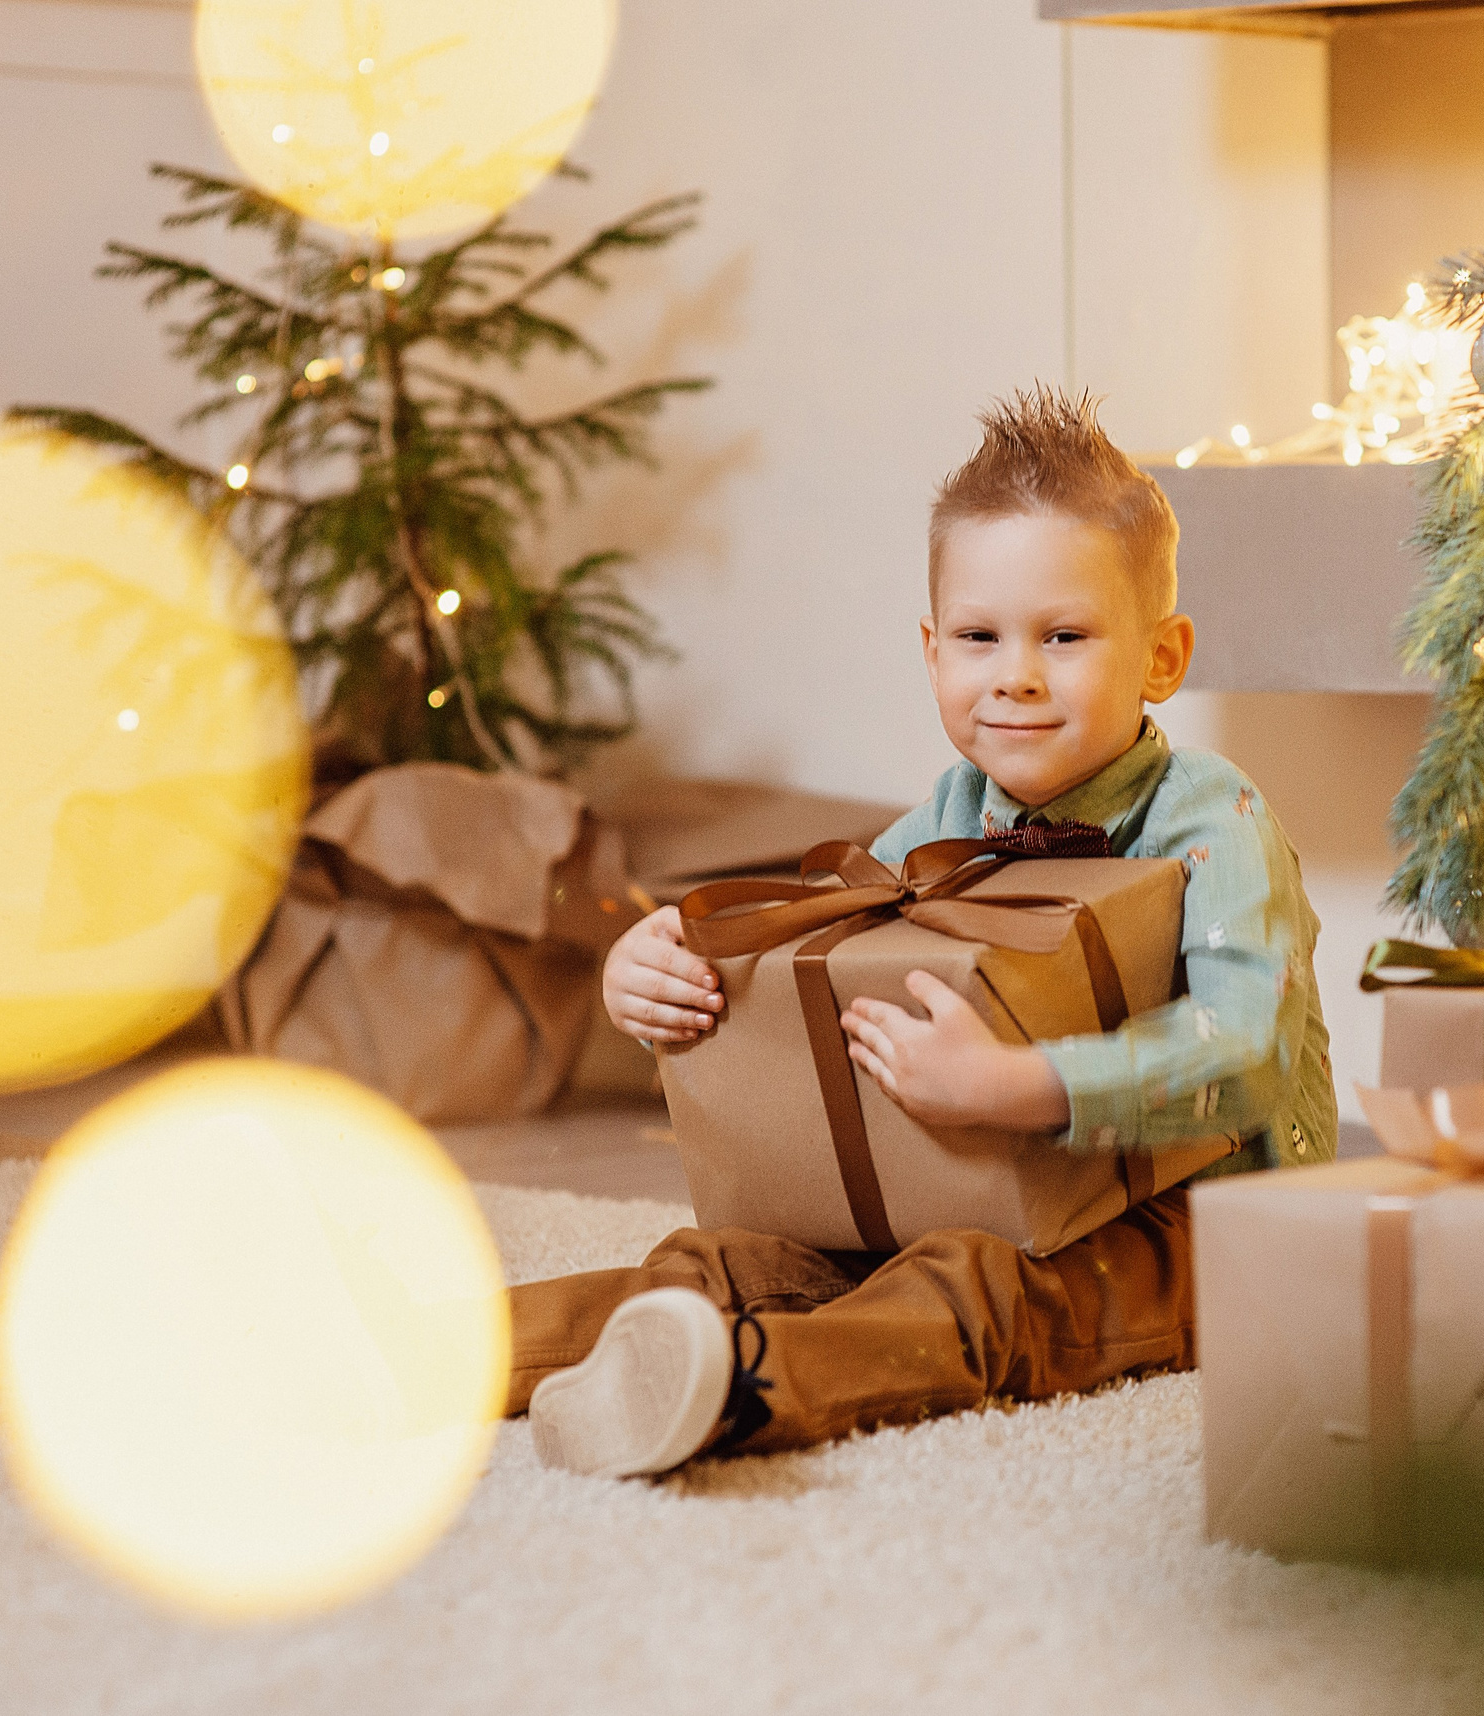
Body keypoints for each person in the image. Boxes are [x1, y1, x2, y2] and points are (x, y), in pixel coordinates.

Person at [511, 387, 1336, 1478]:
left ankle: (734, 1391)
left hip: (1203, 1225)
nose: (1016, 675)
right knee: (733, 1261)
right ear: (932, 650)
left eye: (1065, 637)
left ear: (1162, 658)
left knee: (977, 1289)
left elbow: (1250, 1054)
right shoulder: (948, 819)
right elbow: (803, 953)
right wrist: (653, 969)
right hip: (983, 1186)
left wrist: (1019, 1088)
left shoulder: (1211, 815)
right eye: (979, 638)